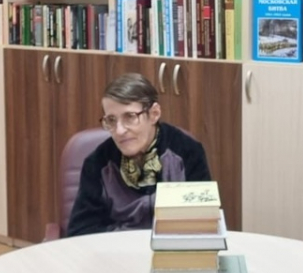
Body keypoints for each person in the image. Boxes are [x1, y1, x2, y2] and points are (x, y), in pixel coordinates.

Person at [66, 72, 212, 236]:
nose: (119, 131)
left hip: (172, 246)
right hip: (117, 247)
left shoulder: (187, 151)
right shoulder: (98, 163)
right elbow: (80, 232)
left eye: (130, 117)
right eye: (111, 120)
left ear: (154, 114)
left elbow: (204, 222)